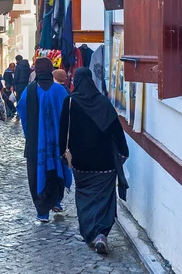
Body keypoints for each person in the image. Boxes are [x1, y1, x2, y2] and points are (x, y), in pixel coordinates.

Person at [59, 67, 129, 255]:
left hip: (81, 163)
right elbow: (117, 132)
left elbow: (62, 132)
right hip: (105, 163)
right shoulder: (104, 102)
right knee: (105, 198)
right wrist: (123, 154)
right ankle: (101, 235)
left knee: (84, 197)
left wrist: (62, 156)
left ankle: (90, 232)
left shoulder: (70, 102)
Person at [17, 57, 72, 222]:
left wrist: (30, 134)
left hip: (36, 142)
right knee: (57, 170)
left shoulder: (30, 90)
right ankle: (56, 201)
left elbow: (21, 109)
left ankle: (42, 211)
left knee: (37, 174)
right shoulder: (60, 90)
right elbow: (70, 112)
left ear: (36, 72)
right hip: (58, 141)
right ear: (50, 71)